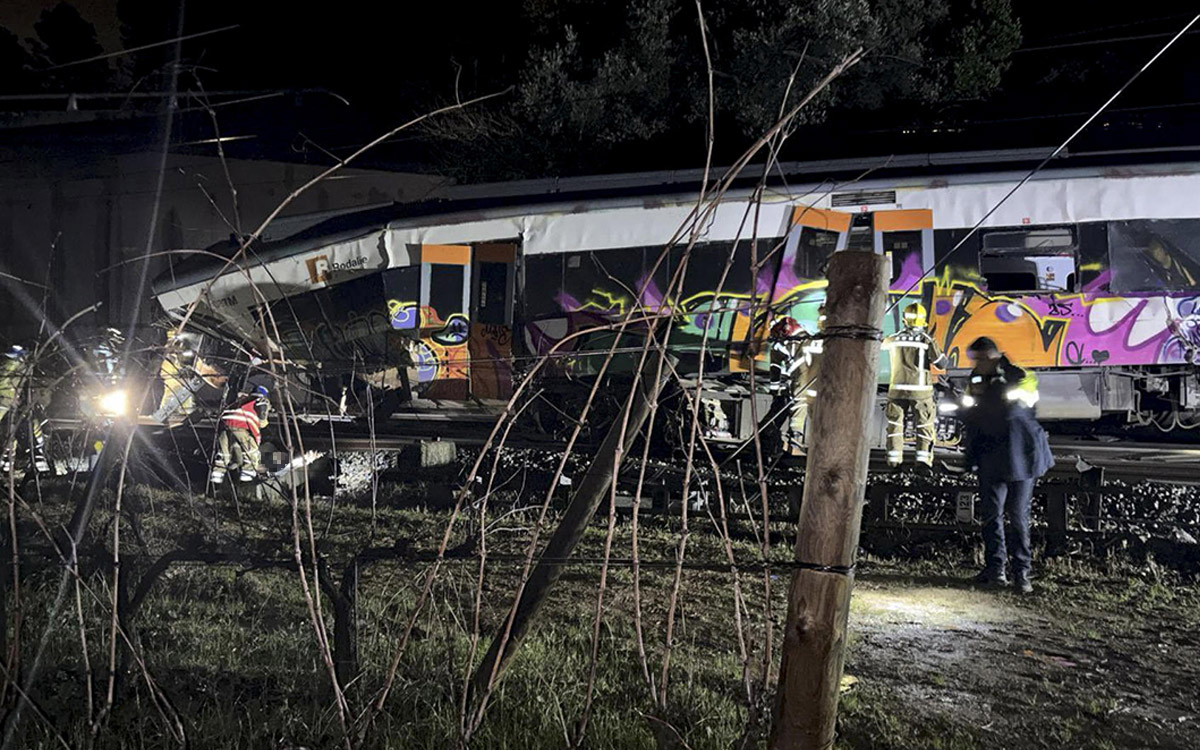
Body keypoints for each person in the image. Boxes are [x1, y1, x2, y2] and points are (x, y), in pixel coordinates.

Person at [961, 336, 1054, 594]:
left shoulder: (1020, 376)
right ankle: (996, 569)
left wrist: (985, 402)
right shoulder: (977, 379)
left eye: (978, 359)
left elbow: (1013, 411)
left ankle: (1021, 573)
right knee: (991, 515)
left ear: (991, 356)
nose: (975, 365)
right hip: (993, 455)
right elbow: (972, 413)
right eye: (974, 360)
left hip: (1019, 456)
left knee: (1017, 516)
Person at [882, 303, 946, 470]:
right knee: (924, 425)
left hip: (896, 391)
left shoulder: (894, 338)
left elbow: (880, 345)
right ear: (922, 321)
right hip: (921, 393)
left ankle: (894, 462)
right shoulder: (926, 340)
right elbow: (941, 363)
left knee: (895, 425)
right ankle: (923, 463)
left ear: (905, 319)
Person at [211, 385, 271, 485]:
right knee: (251, 451)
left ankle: (217, 474)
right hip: (241, 426)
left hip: (225, 424)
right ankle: (247, 474)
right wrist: (264, 422)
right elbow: (262, 416)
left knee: (223, 453)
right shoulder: (260, 400)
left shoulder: (240, 399)